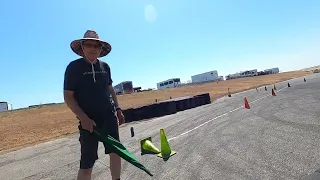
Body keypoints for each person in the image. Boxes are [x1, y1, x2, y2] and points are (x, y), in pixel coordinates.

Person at [63, 30, 125, 180]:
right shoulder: (73, 67)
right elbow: (68, 96)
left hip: (109, 117)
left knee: (115, 152)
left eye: (96, 46)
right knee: (87, 163)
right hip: (88, 122)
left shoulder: (105, 67)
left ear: (100, 49)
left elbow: (110, 89)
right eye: (88, 45)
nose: (92, 48)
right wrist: (83, 117)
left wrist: (118, 109)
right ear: (82, 47)